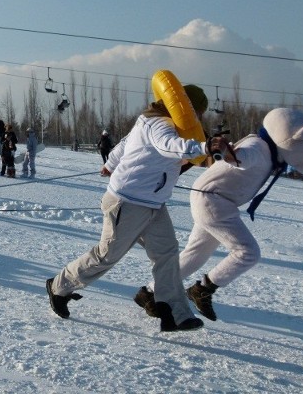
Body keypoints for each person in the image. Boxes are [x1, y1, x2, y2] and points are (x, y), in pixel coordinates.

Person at [46, 84, 220, 332]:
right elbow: (167, 145)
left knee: (167, 254)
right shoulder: (159, 124)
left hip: (153, 204)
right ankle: (58, 286)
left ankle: (175, 313)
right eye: (198, 113)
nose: (198, 118)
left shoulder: (149, 122)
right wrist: (204, 147)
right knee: (107, 256)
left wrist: (111, 163)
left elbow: (125, 143)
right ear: (186, 108)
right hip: (127, 202)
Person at [135, 108, 303, 322]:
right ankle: (202, 290)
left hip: (216, 201)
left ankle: (149, 293)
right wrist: (228, 153)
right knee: (248, 252)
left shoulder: (268, 152)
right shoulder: (258, 147)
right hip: (213, 201)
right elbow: (242, 157)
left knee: (196, 254)